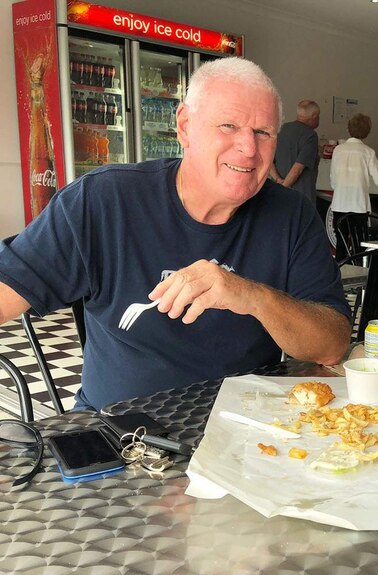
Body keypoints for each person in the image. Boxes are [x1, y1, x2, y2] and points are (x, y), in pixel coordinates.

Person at [0, 57, 352, 411]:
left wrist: (251, 296)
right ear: (185, 126)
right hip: (119, 434)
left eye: (263, 132)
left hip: (246, 430)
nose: (248, 148)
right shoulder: (103, 200)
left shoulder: (292, 215)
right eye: (228, 126)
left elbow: (332, 345)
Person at [329, 113, 378, 260]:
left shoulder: (338, 150)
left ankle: (341, 274)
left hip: (339, 205)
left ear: (349, 128)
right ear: (368, 131)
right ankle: (359, 274)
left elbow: (333, 180)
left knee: (341, 244)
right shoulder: (368, 152)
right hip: (359, 205)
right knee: (358, 244)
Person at [270, 99, 321, 210]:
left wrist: (277, 180)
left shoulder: (281, 130)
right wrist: (285, 187)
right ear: (314, 116)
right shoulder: (310, 136)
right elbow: (298, 168)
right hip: (302, 196)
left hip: (278, 194)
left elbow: (269, 160)